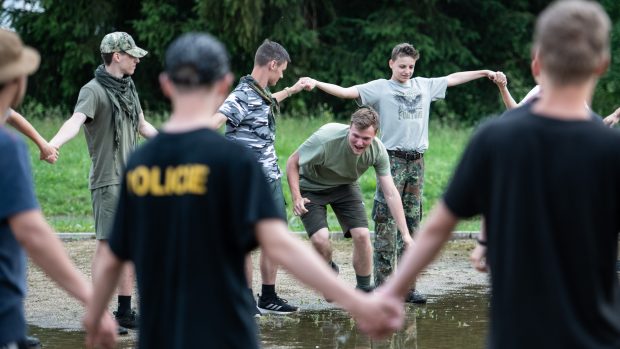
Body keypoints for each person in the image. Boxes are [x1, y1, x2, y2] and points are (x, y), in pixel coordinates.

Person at [82, 32, 404, 349]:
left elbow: (114, 255)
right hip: (228, 331)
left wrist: (97, 317)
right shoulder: (236, 164)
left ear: (166, 84)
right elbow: (280, 245)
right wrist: (357, 301)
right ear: (224, 84)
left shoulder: (141, 164)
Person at [379, 1, 620, 348]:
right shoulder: (611, 152)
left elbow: (435, 228)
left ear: (537, 64)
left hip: (516, 334)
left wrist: (389, 293)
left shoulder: (495, 138)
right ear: (602, 65)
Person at [302, 44, 500, 303]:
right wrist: (316, 83)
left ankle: (407, 287)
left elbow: (452, 79)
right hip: (391, 159)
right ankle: (384, 287)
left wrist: (483, 72)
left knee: (412, 222)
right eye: (402, 66)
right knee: (386, 222)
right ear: (391, 64)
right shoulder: (380, 88)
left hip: (417, 162)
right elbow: (347, 92)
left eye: (411, 66)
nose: (407, 71)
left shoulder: (424, 85)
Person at [0, 28, 117, 349]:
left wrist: (42, 142)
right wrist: (91, 301)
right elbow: (32, 233)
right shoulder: (5, 148)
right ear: (17, 81)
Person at [48, 32, 157, 330]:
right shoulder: (93, 90)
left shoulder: (128, 87)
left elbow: (142, 125)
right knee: (108, 248)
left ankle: (124, 312)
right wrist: (54, 144)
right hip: (108, 181)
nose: (137, 59)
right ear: (116, 56)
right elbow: (75, 121)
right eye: (131, 54)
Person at [211, 39, 306, 315]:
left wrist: (292, 89)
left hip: (270, 177)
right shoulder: (241, 94)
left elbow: (267, 102)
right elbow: (216, 120)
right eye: (282, 71)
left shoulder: (260, 92)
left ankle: (268, 297)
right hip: (245, 183)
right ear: (272, 64)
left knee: (274, 238)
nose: (282, 76)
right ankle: (245, 299)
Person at [286, 107, 412, 293]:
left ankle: (363, 290)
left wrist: (406, 234)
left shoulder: (378, 150)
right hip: (311, 187)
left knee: (362, 235)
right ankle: (328, 273)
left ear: (375, 134)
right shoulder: (325, 139)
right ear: (349, 128)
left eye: (366, 138)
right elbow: (292, 162)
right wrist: (297, 197)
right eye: (355, 136)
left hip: (345, 186)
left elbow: (391, 192)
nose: (359, 143)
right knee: (321, 239)